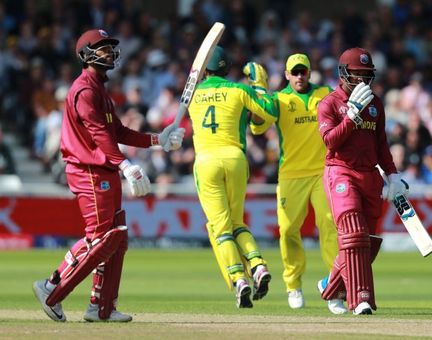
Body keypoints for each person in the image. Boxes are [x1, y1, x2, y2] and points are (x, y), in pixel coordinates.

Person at [32, 28, 185, 322]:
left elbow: (119, 132)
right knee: (101, 236)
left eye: (110, 48)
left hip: (103, 169)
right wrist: (125, 166)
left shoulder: (100, 88)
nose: (109, 53)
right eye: (103, 48)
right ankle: (51, 287)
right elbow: (100, 135)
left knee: (117, 238)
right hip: (89, 170)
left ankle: (101, 308)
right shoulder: (85, 90)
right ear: (87, 54)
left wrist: (158, 139)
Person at [316, 47, 409, 315]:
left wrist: (392, 174)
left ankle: (331, 285)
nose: (362, 81)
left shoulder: (376, 104)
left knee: (367, 241)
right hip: (340, 171)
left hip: (370, 175)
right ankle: (361, 300)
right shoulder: (329, 103)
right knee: (354, 234)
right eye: (357, 74)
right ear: (343, 74)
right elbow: (330, 141)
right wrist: (351, 115)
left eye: (367, 75)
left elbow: (381, 144)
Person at [245, 54, 338, 310]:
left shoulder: (325, 93)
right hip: (291, 176)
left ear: (309, 73)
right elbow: (258, 126)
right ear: (286, 75)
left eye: (303, 72)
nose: (299, 76)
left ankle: (336, 288)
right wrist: (257, 91)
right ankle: (293, 285)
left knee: (329, 225)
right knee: (287, 230)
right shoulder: (278, 99)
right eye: (294, 72)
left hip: (323, 172)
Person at [188, 46, 277, 308]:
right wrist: (259, 85)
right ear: (227, 69)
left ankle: (239, 279)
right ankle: (258, 265)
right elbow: (269, 113)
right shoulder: (240, 90)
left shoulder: (192, 94)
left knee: (220, 229)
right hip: (236, 159)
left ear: (205, 69)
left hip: (205, 162)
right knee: (237, 222)